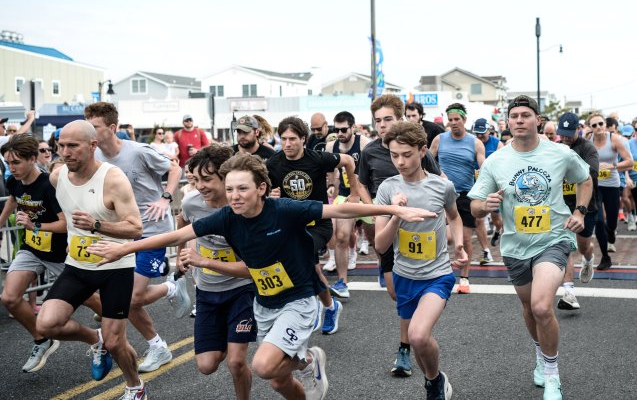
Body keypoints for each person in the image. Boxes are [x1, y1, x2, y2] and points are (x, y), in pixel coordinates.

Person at [88, 152, 435, 400]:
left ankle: (309, 360)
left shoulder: (283, 210)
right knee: (278, 383)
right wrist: (123, 248)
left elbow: (341, 208)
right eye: (231, 189)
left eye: (243, 189)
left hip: (298, 301)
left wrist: (391, 208)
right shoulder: (226, 218)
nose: (235, 196)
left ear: (260, 188)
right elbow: (177, 236)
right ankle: (305, 363)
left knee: (265, 366)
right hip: (265, 305)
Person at [469, 95, 591, 399]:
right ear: (508, 122)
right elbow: (473, 206)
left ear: (538, 120)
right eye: (514, 116)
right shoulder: (496, 160)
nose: (519, 120)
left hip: (554, 239)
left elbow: (585, 180)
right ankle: (540, 355)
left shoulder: (560, 153)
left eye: (526, 115)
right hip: (515, 246)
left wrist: (580, 212)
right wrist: (486, 205)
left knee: (540, 305)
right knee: (528, 308)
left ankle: (552, 374)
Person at [34, 120, 147, 399]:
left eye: (73, 146)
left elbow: (136, 228)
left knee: (116, 342)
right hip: (77, 265)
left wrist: (97, 225)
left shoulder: (113, 179)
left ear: (93, 146)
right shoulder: (57, 176)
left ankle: (136, 387)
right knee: (46, 324)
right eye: (61, 146)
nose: (65, 152)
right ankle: (95, 339)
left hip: (114, 267)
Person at [84, 102, 189, 374]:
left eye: (93, 127)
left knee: (133, 298)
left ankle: (171, 289)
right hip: (121, 234)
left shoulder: (138, 152)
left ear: (112, 128)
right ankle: (158, 346)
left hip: (152, 230)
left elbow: (175, 169)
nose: (89, 132)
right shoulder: (94, 157)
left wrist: (166, 198)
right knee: (124, 299)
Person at [374, 122, 468, 400]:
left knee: (416, 334)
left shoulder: (442, 186)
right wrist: (396, 214)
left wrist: (460, 244)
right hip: (404, 275)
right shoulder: (387, 189)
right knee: (419, 342)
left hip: (437, 275)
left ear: (423, 150)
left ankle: (434, 383)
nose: (400, 161)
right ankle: (435, 379)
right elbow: (380, 245)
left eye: (406, 154)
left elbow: (454, 216)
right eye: (394, 155)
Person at [358, 94, 442, 377]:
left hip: (415, 229)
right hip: (387, 224)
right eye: (378, 121)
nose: (382, 125)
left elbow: (437, 183)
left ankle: (405, 347)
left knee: (408, 295)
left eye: (387, 120)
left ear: (400, 119)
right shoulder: (369, 152)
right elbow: (361, 184)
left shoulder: (413, 148)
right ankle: (413, 331)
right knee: (396, 293)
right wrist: (373, 211)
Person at [267, 116, 360, 335]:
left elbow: (347, 160)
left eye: (292, 139)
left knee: (301, 256)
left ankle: (303, 309)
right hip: (290, 224)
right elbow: (264, 189)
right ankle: (330, 306)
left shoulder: (317, 158)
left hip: (318, 223)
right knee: (311, 267)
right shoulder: (274, 163)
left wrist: (354, 193)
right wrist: (270, 194)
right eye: (283, 139)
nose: (287, 144)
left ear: (303, 138)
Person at [176, 145, 256, 400]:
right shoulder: (191, 202)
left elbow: (253, 269)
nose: (200, 186)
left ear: (226, 177)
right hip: (208, 291)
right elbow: (183, 224)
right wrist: (181, 252)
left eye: (207, 179)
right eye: (196, 179)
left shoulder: (244, 205)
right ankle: (225, 338)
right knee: (207, 365)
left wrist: (204, 261)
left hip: (242, 288)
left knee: (235, 362)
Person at [0, 136, 70, 373]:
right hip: (32, 249)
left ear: (32, 159)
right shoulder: (14, 181)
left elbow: (65, 224)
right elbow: (14, 198)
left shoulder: (48, 185)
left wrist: (35, 226)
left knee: (93, 301)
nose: (11, 168)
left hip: (59, 252)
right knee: (9, 298)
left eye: (16, 162)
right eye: (8, 162)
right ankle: (42, 339)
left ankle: (111, 336)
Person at [429, 102, 488, 293]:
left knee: (464, 239)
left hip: (465, 195)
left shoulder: (475, 143)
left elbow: (484, 170)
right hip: (442, 194)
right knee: (442, 236)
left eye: (457, 119)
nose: (454, 123)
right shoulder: (439, 139)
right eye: (451, 120)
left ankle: (464, 277)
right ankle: (439, 272)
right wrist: (438, 176)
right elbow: (427, 161)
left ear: (464, 120)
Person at [555, 113, 605, 312]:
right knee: (567, 244)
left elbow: (590, 173)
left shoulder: (588, 148)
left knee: (583, 245)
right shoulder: (556, 147)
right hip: (562, 204)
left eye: (569, 134)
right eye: (562, 134)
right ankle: (569, 292)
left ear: (579, 129)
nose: (565, 138)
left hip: (586, 205)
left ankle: (589, 257)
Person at [325, 111, 371, 299]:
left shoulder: (364, 144)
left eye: (344, 129)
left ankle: (386, 269)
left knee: (376, 240)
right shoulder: (331, 146)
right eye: (337, 130)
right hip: (345, 195)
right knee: (341, 236)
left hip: (366, 193)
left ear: (353, 127)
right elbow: (329, 171)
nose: (340, 133)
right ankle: (342, 282)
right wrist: (330, 186)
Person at [586, 112, 633, 254]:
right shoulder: (588, 140)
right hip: (595, 185)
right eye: (594, 125)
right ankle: (605, 253)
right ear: (590, 127)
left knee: (611, 221)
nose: (598, 127)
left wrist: (612, 166)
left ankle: (611, 233)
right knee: (599, 219)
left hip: (612, 184)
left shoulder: (615, 139)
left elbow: (630, 162)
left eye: (601, 124)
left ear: (605, 125)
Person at [473, 118, 505, 247]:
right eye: (477, 133)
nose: (480, 136)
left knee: (496, 219)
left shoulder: (497, 144)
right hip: (477, 185)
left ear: (489, 131)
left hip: (493, 186)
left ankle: (497, 230)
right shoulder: (473, 143)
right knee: (478, 217)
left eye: (482, 132)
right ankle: (485, 250)